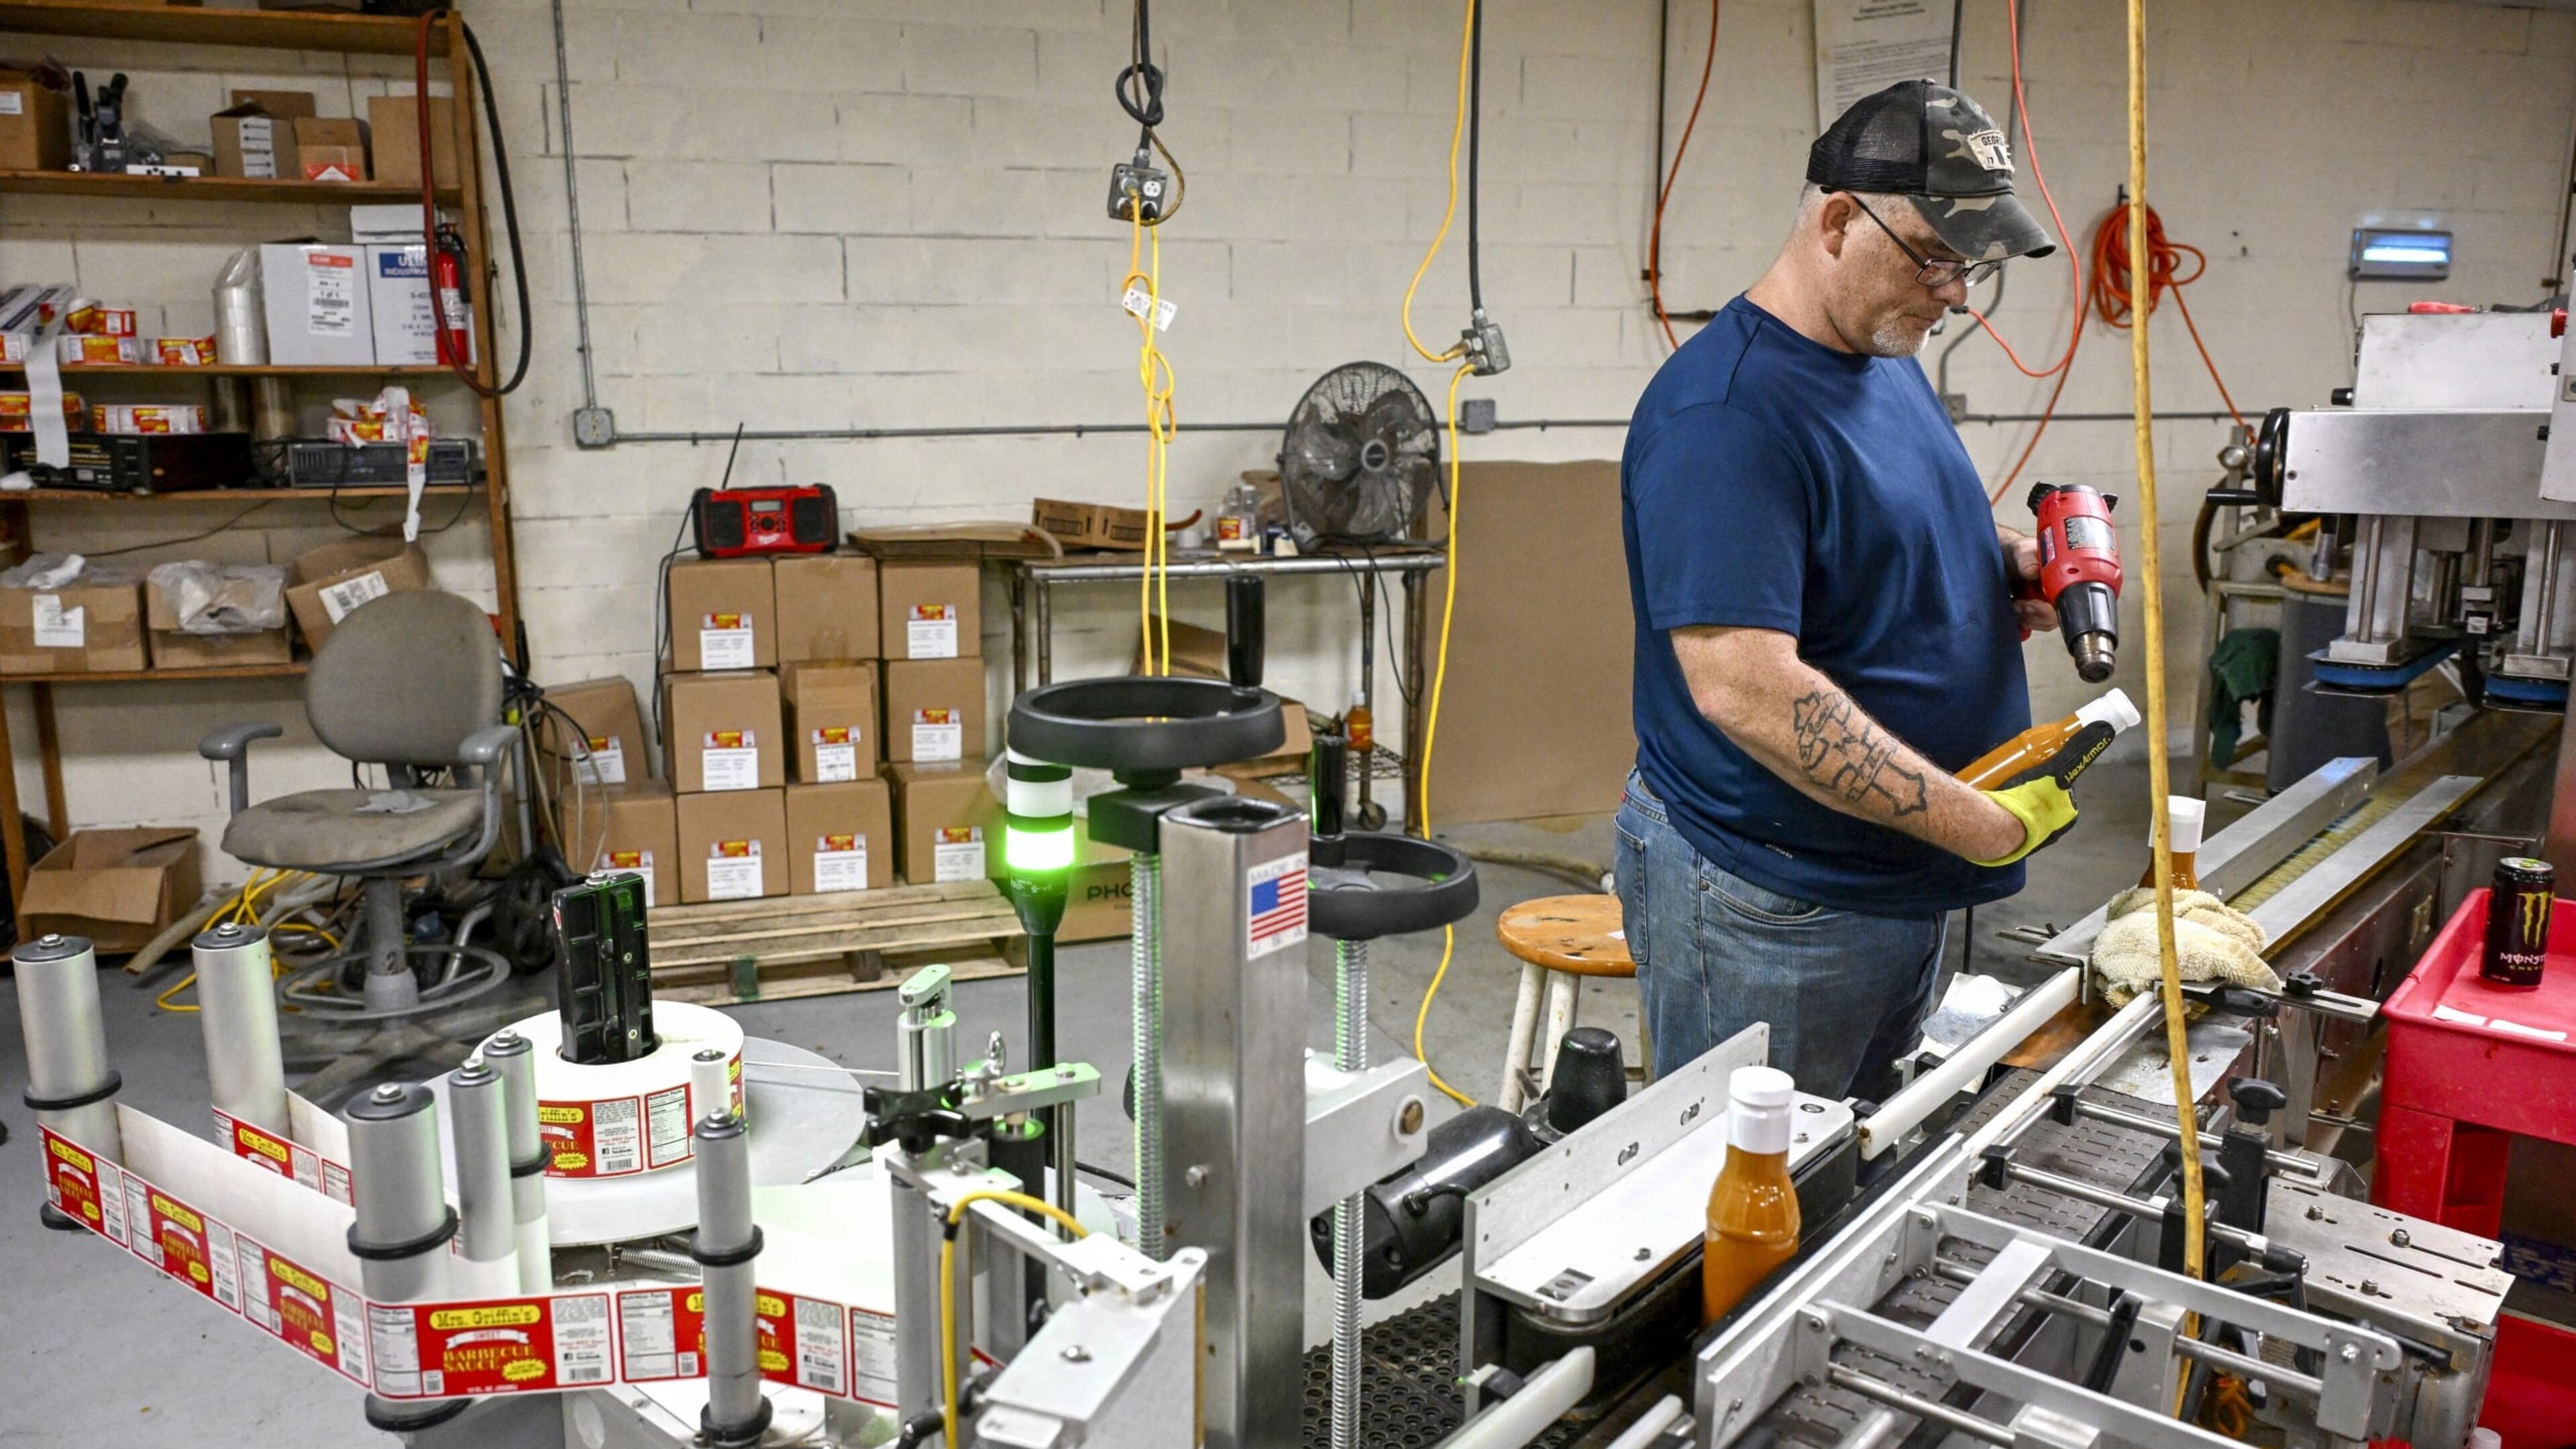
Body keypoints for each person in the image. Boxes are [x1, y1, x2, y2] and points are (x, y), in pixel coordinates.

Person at [1615, 79, 2078, 1102]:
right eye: (1936, 258)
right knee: (1751, 1211)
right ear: (1837, 221)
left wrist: (1999, 560)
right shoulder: (1726, 417)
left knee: (1853, 1174)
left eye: (1971, 265)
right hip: (1777, 903)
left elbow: (1871, 529)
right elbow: (1746, 688)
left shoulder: (1882, 354)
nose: (1955, 293)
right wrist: (1976, 822)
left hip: (1890, 882)